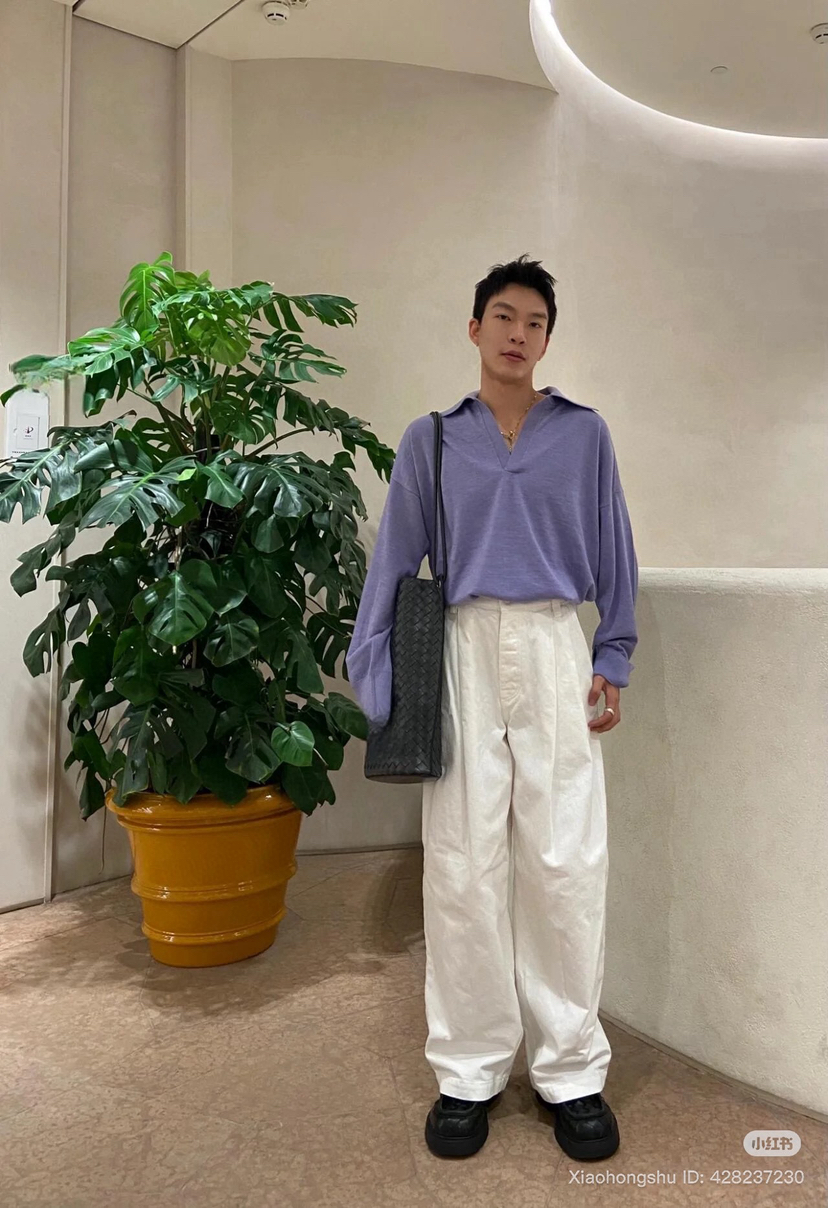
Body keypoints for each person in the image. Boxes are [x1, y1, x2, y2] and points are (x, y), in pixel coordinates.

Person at [344, 254, 639, 1162]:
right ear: (475, 328)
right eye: (504, 316)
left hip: (553, 642)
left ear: (548, 338)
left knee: (565, 858)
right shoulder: (432, 439)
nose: (518, 333)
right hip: (463, 646)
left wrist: (613, 651)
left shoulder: (584, 434)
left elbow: (615, 547)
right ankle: (468, 1071)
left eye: (535, 322)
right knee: (462, 862)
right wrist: (374, 669)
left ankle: (571, 1070)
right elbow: (396, 559)